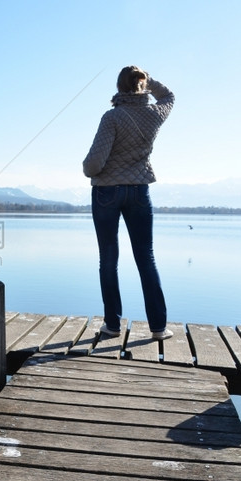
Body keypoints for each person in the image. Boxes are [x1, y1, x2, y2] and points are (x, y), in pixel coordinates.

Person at [82, 66, 174, 340]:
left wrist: (87, 168)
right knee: (146, 258)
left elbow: (94, 164)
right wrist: (148, 81)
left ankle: (112, 325)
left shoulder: (112, 117)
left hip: (106, 193)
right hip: (139, 191)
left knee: (108, 260)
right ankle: (158, 328)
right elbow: (168, 96)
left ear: (119, 87)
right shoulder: (154, 114)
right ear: (142, 85)